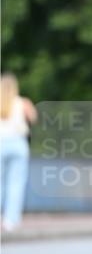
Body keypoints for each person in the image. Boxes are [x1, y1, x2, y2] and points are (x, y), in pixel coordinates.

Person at [0, 73, 37, 231]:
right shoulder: (23, 103)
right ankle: (11, 221)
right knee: (16, 184)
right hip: (18, 144)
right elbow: (33, 119)